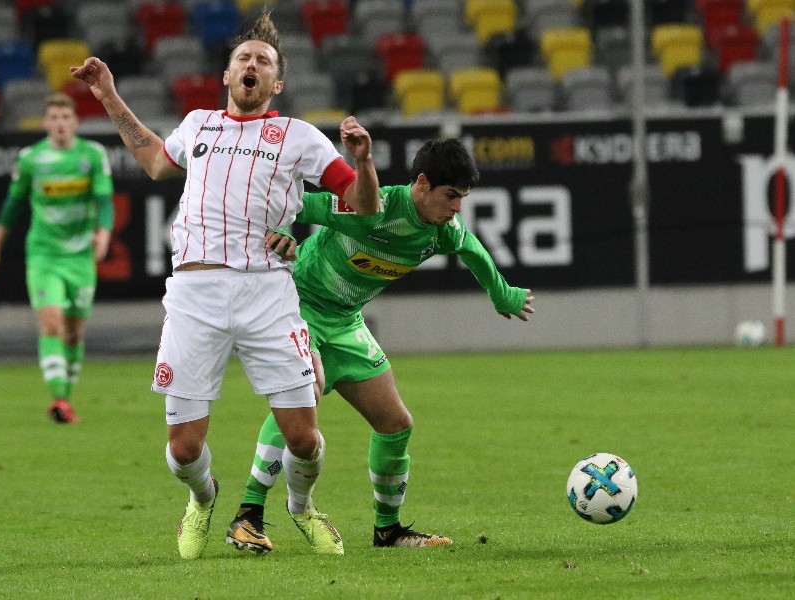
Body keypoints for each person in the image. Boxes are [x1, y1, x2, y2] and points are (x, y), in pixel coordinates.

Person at [69, 9, 379, 558]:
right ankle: (203, 497)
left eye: (263, 61)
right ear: (227, 76)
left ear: (276, 83)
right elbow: (154, 163)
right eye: (243, 59)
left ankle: (302, 507)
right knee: (184, 449)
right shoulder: (198, 125)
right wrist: (109, 96)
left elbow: (363, 206)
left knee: (303, 438)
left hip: (268, 293)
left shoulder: (300, 137)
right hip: (195, 296)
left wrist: (364, 162)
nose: (251, 65)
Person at [225, 138, 535, 554]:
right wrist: (279, 227)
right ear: (421, 184)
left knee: (396, 424)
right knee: (304, 398)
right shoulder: (372, 209)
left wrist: (502, 295)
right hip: (299, 307)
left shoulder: (441, 230)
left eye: (462, 197)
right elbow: (299, 203)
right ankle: (248, 514)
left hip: (346, 322)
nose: (457, 207)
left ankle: (387, 532)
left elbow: (473, 250)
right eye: (451, 196)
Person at [0, 92, 114, 424]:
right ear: (45, 123)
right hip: (43, 256)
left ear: (75, 122)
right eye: (53, 118)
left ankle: (65, 398)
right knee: (51, 323)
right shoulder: (31, 159)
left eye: (65, 117)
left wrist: (104, 232)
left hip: (80, 257)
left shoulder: (92, 155)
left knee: (73, 332)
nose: (59, 124)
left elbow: (105, 200)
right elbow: (12, 207)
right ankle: (57, 398)